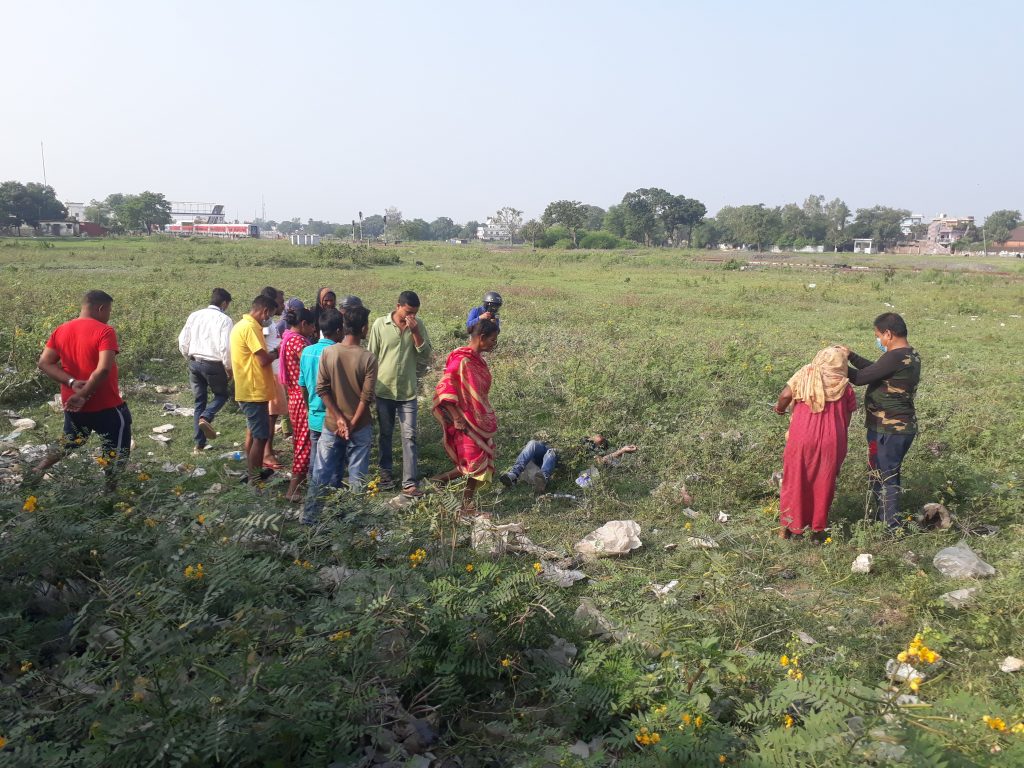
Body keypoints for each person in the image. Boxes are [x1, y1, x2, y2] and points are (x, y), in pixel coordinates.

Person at [35, 290, 133, 485]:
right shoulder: (105, 331)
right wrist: (85, 393)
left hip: (73, 404)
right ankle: (111, 493)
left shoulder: (61, 330)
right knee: (116, 450)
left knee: (69, 441)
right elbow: (103, 369)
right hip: (107, 404)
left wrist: (71, 383)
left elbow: (44, 363)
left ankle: (37, 469)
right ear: (101, 308)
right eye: (109, 310)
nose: (109, 315)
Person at [841, 313, 922, 530]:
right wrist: (851, 356)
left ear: (888, 334)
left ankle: (891, 527)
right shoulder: (910, 354)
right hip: (893, 428)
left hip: (889, 430)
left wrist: (832, 363)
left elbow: (860, 378)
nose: (878, 340)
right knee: (879, 472)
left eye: (878, 336)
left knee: (886, 476)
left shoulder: (895, 356)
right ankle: (879, 518)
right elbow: (876, 372)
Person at [772, 346, 858, 542]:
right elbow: (848, 416)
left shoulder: (805, 374)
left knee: (794, 480)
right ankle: (817, 531)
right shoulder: (844, 386)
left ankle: (787, 528)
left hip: (802, 437)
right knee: (824, 482)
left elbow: (785, 395)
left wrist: (779, 410)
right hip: (832, 439)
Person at [302, 306, 378, 524]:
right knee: (357, 476)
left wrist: (339, 419)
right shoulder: (368, 358)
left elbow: (322, 389)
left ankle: (310, 519)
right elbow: (366, 397)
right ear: (364, 328)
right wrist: (352, 423)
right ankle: (352, 523)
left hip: (331, 424)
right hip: (360, 425)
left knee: (321, 472)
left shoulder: (329, 352)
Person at [431, 318, 500, 517]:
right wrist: (456, 417)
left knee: (479, 461)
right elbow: (445, 386)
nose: (494, 344)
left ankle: (446, 484)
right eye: (492, 340)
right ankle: (465, 503)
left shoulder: (478, 360)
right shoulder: (461, 359)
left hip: (479, 418)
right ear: (481, 337)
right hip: (463, 419)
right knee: (473, 461)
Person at [367, 290, 433, 495]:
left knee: (410, 436)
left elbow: (426, 353)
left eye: (414, 313)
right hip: (383, 389)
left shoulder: (418, 325)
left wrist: (415, 332)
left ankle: (409, 482)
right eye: (408, 312)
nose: (410, 316)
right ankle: (385, 474)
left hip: (407, 391)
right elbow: (371, 356)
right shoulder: (380, 324)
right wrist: (368, 387)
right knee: (385, 434)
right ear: (398, 307)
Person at [230, 294, 279, 486]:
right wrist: (277, 351)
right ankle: (254, 479)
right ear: (265, 311)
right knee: (260, 437)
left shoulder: (242, 326)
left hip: (250, 387)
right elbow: (263, 359)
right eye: (270, 315)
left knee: (255, 433)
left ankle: (253, 473)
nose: (269, 319)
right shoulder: (250, 328)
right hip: (253, 390)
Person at [177, 288, 233, 455]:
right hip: (214, 365)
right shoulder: (225, 320)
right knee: (221, 395)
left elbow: (183, 340)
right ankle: (206, 417)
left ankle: (199, 445)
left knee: (199, 402)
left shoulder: (195, 315)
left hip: (195, 363)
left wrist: (188, 355)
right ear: (224, 303)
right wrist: (228, 368)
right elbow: (226, 348)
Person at [498, 434, 637, 494]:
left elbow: (603, 460)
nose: (599, 438)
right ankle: (513, 475)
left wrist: (622, 450)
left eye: (602, 440)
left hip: (560, 460)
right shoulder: (579, 439)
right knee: (533, 443)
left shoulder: (593, 452)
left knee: (552, 452)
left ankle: (543, 480)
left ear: (602, 446)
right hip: (548, 453)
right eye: (597, 436)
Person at [299, 308, 342, 490]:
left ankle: (312, 495)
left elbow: (302, 384)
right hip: (333, 418)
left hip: (314, 414)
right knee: (334, 462)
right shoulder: (337, 352)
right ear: (339, 330)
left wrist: (309, 406)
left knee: (315, 459)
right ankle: (330, 502)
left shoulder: (307, 352)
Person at [280, 305, 316, 502]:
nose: (313, 331)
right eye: (312, 327)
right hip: (303, 398)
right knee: (304, 443)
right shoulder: (298, 343)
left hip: (294, 397)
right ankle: (293, 489)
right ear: (304, 324)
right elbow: (309, 366)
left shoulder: (287, 338)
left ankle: (299, 486)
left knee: (301, 442)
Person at [260, 286, 287, 468]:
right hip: (270, 373)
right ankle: (266, 453)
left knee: (273, 415)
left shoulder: (269, 322)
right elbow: (262, 348)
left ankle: (267, 449)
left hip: (275, 372)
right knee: (270, 415)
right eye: (280, 301)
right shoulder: (265, 324)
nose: (283, 305)